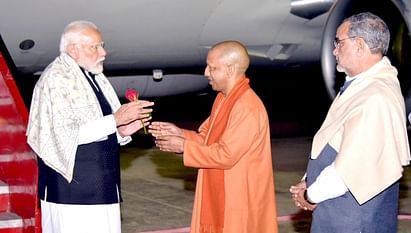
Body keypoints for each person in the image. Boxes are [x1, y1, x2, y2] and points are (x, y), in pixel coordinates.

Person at [26, 20, 153, 233]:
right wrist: (115, 120)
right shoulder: (57, 79)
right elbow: (62, 135)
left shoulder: (90, 76)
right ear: (73, 49)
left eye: (102, 45)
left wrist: (121, 131)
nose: (103, 52)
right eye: (95, 46)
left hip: (101, 185)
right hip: (72, 192)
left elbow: (96, 127)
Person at [289, 12, 411, 233]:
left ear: (360, 45)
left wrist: (310, 194)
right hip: (338, 209)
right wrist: (310, 180)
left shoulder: (376, 97)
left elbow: (350, 170)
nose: (334, 50)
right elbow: (334, 138)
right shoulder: (362, 85)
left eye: (339, 43)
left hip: (353, 219)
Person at [149, 41, 278, 233]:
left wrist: (184, 146)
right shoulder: (224, 98)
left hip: (238, 199)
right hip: (222, 194)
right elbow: (207, 139)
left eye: (212, 67)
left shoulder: (246, 107)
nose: (206, 73)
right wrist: (179, 134)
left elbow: (226, 155)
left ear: (230, 69)